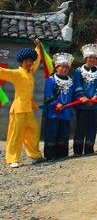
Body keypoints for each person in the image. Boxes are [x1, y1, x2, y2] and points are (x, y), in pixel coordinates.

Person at [0, 39, 43, 167]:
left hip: (29, 109)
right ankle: (12, 159)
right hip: (18, 110)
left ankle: (35, 155)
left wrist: (38, 47)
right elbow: (2, 72)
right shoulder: (17, 73)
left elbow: (37, 60)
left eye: (30, 61)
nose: (29, 63)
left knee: (34, 131)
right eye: (26, 61)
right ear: (21, 62)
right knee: (15, 135)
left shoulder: (31, 71)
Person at [43, 53, 75, 161]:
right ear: (57, 67)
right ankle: (50, 155)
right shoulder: (51, 80)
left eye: (67, 67)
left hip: (66, 112)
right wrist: (56, 103)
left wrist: (81, 97)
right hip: (54, 112)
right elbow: (48, 94)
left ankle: (62, 154)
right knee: (52, 132)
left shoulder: (70, 82)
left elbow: (74, 95)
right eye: (62, 67)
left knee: (63, 133)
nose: (64, 69)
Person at [72, 43, 97, 156]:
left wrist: (94, 98)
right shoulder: (78, 71)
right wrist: (83, 97)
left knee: (92, 127)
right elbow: (77, 84)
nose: (92, 59)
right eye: (90, 57)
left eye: (94, 58)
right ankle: (77, 150)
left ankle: (89, 149)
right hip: (82, 103)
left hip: (95, 104)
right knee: (80, 126)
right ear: (85, 58)